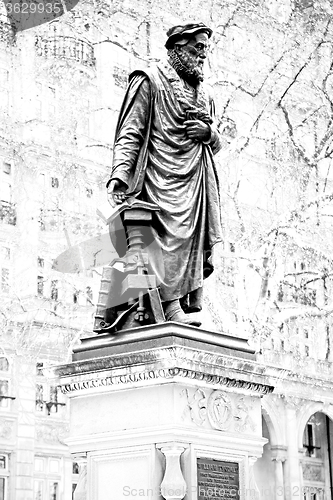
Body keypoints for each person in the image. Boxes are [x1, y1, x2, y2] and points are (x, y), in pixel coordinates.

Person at [107, 22, 223, 326]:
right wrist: (121, 172)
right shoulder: (149, 80)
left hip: (195, 181)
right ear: (176, 49)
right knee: (160, 240)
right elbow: (131, 132)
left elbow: (219, 140)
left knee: (189, 244)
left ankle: (178, 305)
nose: (201, 57)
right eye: (196, 50)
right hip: (158, 178)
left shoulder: (205, 91)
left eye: (205, 51)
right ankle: (167, 307)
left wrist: (208, 133)